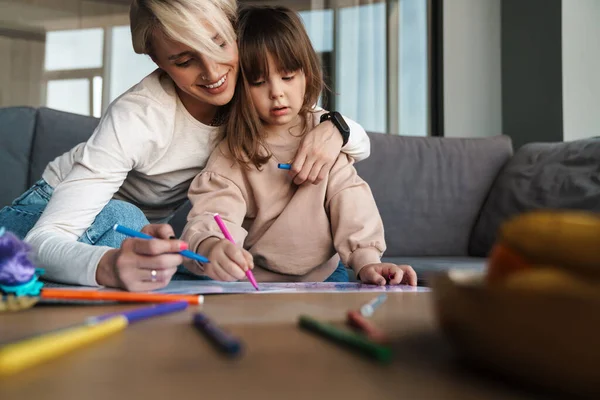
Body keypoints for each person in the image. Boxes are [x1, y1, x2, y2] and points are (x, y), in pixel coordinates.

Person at [0, 0, 371, 291]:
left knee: (322, 266)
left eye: (219, 43)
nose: (213, 73)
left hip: (142, 231)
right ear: (156, 59)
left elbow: (320, 126)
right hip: (51, 213)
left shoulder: (254, 87)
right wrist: (108, 265)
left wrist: (336, 128)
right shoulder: (139, 116)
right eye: (184, 60)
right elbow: (43, 242)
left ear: (234, 29)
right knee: (132, 222)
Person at [180, 6, 417, 286]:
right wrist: (213, 245)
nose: (277, 92)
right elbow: (213, 214)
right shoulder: (232, 154)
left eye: (288, 76)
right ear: (239, 87)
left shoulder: (325, 135)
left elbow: (350, 199)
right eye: (258, 82)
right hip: (255, 282)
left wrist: (368, 262)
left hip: (329, 273)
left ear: (307, 73)